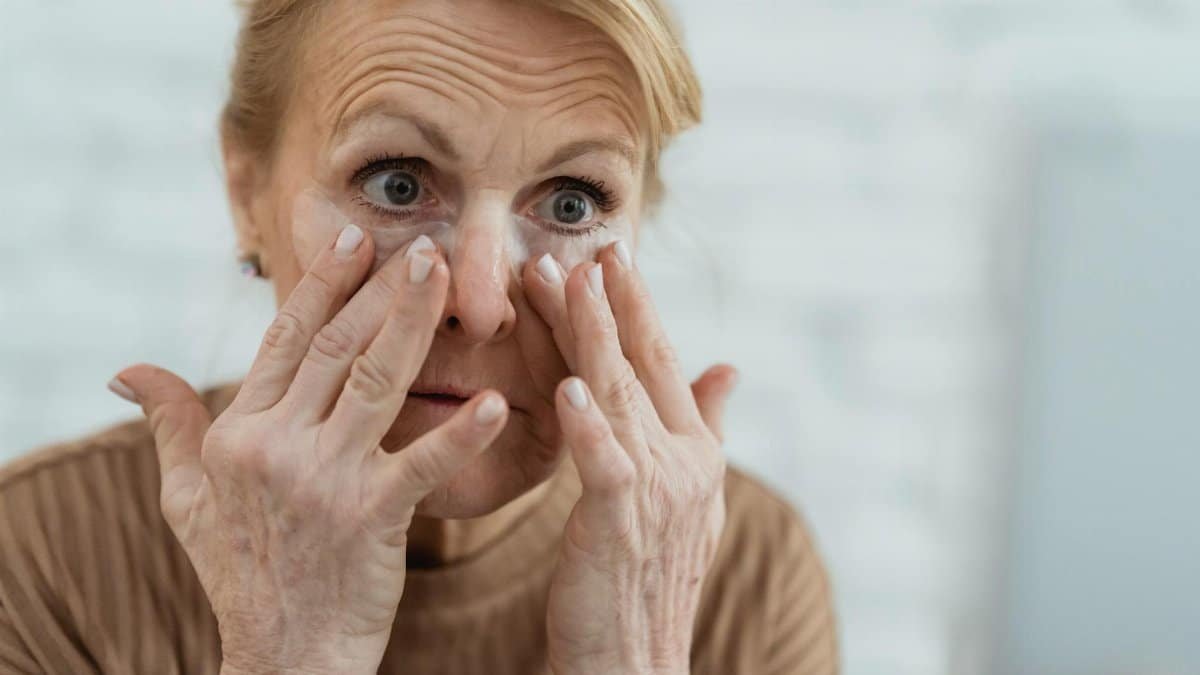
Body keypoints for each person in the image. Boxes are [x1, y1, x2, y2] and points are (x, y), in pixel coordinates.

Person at [0, 0, 838, 672]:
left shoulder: (743, 578)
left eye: (572, 202)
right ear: (246, 192)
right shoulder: (43, 557)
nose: (477, 303)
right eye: (397, 184)